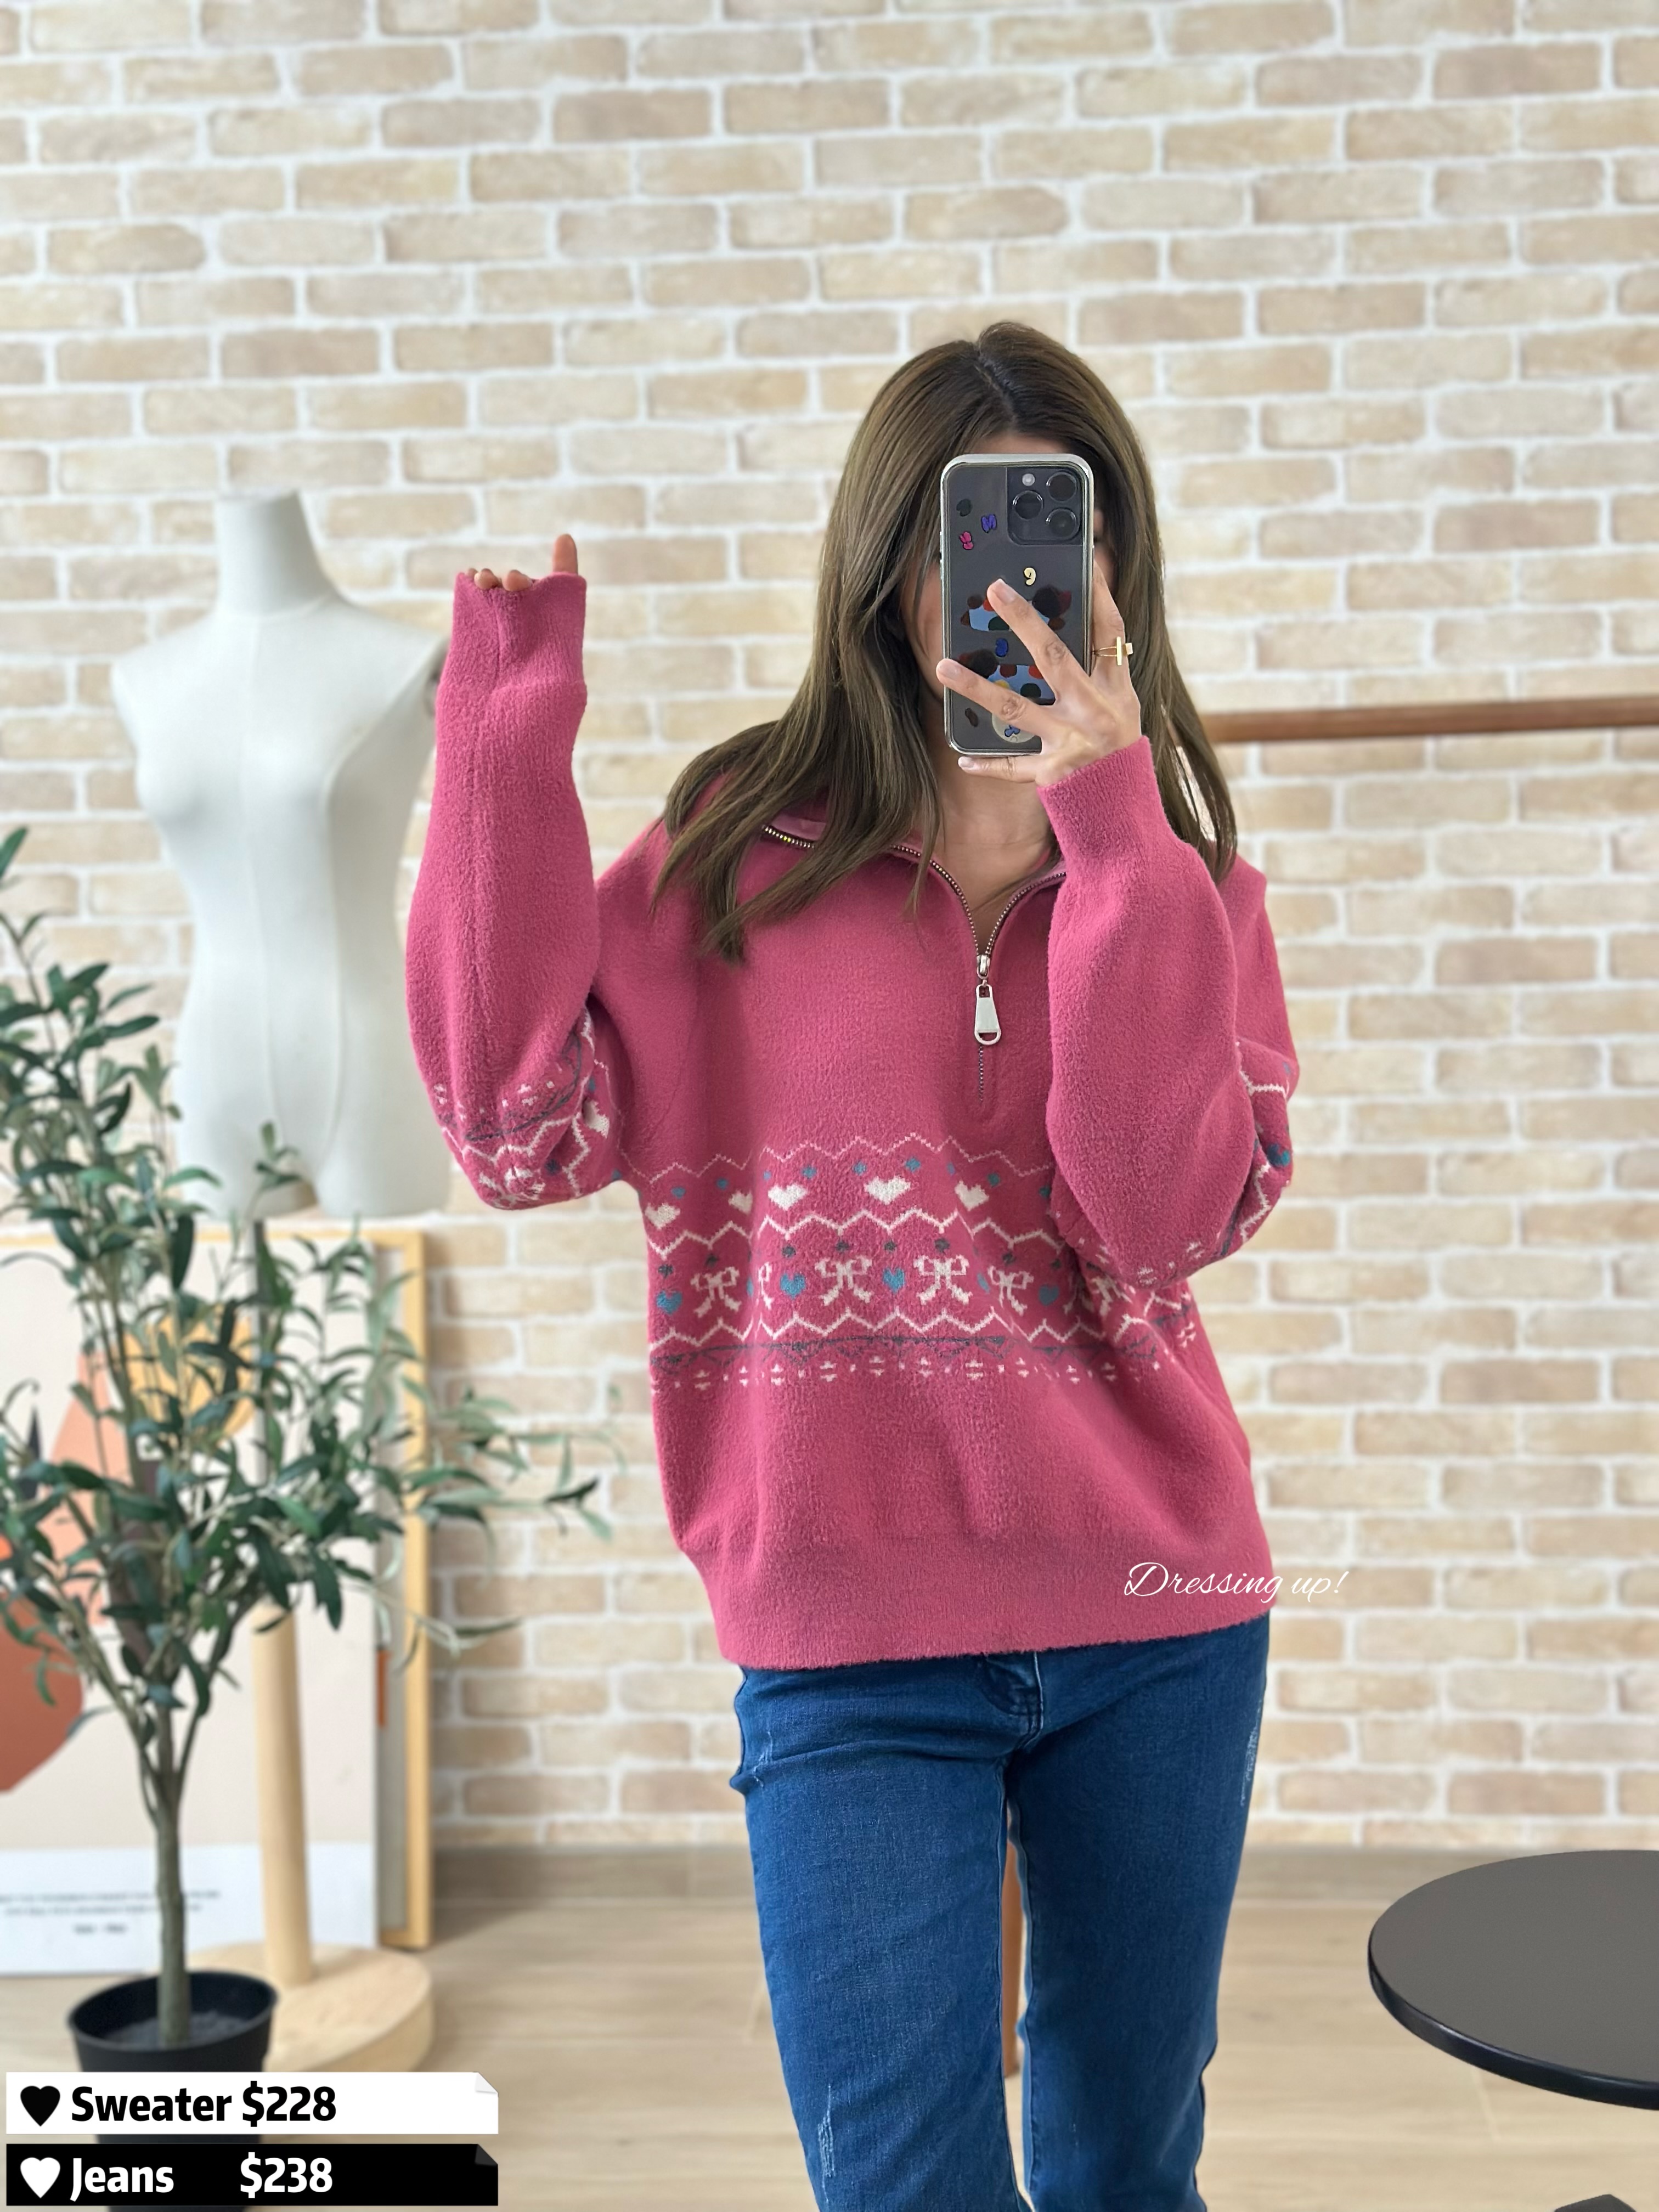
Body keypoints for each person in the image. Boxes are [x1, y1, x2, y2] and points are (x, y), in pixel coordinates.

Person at [405, 320, 1299, 2212]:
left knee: (1127, 2168)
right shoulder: (730, 862)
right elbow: (512, 1131)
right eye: (968, 536)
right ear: (888, 571)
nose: (1014, 590)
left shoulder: (1188, 885)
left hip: (1162, 1615)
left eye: (1064, 536)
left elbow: (1159, 1219)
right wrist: (500, 736)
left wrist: (1114, 832)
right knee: (905, 2184)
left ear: (1120, 572)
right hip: (846, 1646)